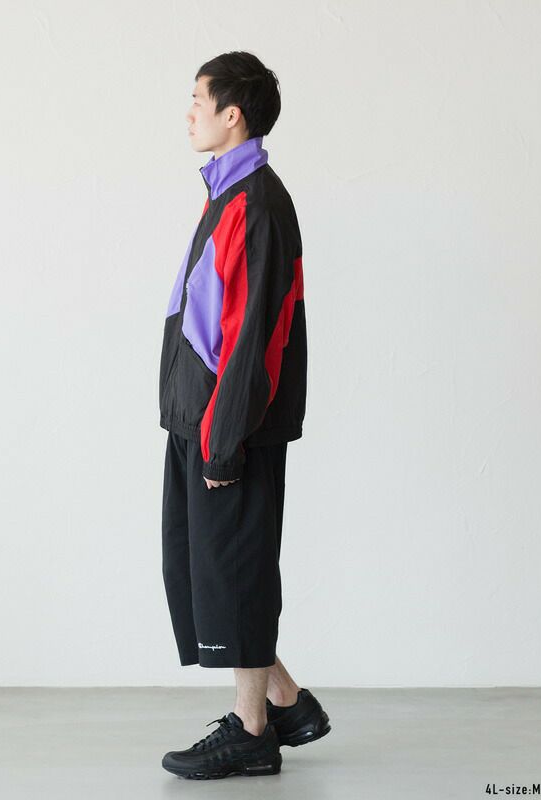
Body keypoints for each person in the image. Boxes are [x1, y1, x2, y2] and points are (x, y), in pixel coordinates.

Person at [158, 50, 330, 780]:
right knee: (210, 574)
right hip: (200, 421)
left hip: (229, 429)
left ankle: (254, 730)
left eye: (199, 101)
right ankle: (287, 702)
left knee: (236, 572)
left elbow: (254, 336)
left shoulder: (256, 203)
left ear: (233, 114)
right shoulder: (227, 193)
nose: (189, 113)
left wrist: (224, 442)